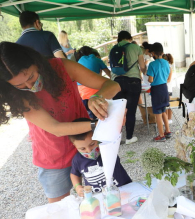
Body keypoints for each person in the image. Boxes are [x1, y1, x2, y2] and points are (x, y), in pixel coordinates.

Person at [0, 42, 120, 203]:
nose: (29, 86)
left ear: (37, 63)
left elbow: (112, 85)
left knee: (105, 196)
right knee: (59, 209)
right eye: (20, 85)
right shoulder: (17, 95)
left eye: (31, 77)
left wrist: (98, 97)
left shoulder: (63, 67)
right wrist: (96, 124)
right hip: (53, 156)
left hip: (85, 145)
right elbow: (56, 129)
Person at [69, 118, 132, 196]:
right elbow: (74, 174)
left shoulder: (108, 148)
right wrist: (77, 187)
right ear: (74, 146)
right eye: (82, 148)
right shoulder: (77, 160)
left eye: (92, 144)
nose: (89, 150)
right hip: (98, 197)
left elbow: (114, 131)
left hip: (123, 190)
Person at [111, 31, 147, 145]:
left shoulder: (113, 48)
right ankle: (129, 137)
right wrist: (144, 73)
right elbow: (142, 66)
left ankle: (116, 137)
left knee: (118, 111)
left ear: (119, 39)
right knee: (131, 110)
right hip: (133, 81)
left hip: (116, 83)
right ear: (129, 38)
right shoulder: (135, 47)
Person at [76, 46, 112, 119]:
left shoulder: (79, 61)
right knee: (100, 115)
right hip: (94, 93)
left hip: (81, 94)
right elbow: (110, 75)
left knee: (89, 117)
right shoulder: (97, 59)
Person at [147, 42, 171, 142]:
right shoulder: (166, 62)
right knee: (163, 110)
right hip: (164, 88)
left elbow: (151, 80)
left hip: (156, 90)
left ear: (153, 53)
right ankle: (168, 131)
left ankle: (161, 135)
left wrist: (148, 78)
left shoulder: (152, 64)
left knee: (158, 113)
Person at [163, 53, 175, 124]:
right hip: (168, 88)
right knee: (167, 104)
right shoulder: (168, 66)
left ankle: (168, 119)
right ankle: (168, 119)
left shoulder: (169, 67)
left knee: (167, 105)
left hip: (167, 88)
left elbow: (169, 80)